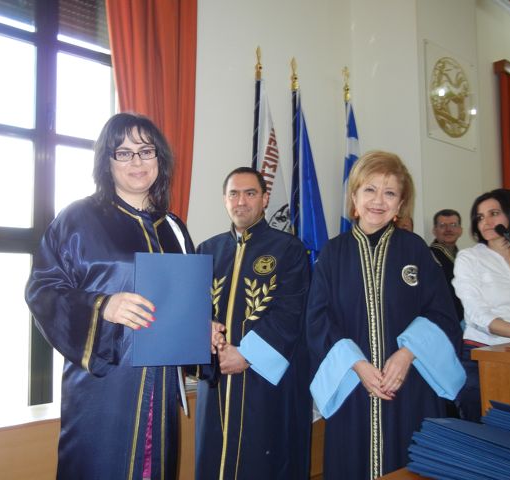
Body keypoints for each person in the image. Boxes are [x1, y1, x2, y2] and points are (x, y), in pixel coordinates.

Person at [25, 113, 194, 480]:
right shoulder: (78, 219)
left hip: (161, 387)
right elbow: (42, 289)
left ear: (159, 159)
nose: (137, 161)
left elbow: (183, 301)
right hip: (104, 388)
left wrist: (202, 327)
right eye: (124, 152)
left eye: (146, 151)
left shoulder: (174, 228)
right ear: (107, 161)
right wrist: (102, 306)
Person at [306, 150, 466, 479]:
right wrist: (357, 364)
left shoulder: (416, 249)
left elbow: (443, 313)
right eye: (370, 189)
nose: (378, 200)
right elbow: (317, 320)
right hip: (353, 383)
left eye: (390, 193)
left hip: (411, 384)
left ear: (400, 203)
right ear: (354, 197)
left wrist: (407, 354)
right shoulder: (333, 253)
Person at [193, 167, 312, 480]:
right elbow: (193, 309)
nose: (241, 201)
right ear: (225, 199)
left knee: (261, 461)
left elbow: (291, 311)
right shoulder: (206, 250)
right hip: (217, 375)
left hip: (264, 379)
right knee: (214, 456)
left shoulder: (289, 249)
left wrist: (246, 354)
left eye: (250, 193)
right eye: (233, 194)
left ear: (265, 199)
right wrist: (207, 337)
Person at [452, 188, 510, 422]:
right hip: (483, 351)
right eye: (480, 217)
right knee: (483, 425)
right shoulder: (469, 258)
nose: (486, 222)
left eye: (494, 213)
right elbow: (476, 314)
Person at [430, 209, 464, 323]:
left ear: (460, 230)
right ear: (434, 231)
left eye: (453, 225)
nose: (448, 229)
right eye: (442, 225)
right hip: (441, 318)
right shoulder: (428, 256)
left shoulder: (465, 257)